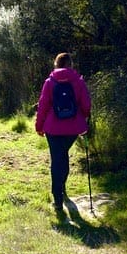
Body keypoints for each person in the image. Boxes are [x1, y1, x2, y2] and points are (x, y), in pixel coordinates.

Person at [35, 52, 92, 218]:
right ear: (70, 64)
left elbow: (43, 105)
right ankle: (63, 187)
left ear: (56, 64)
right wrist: (84, 119)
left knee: (57, 159)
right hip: (73, 129)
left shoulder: (49, 82)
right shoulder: (78, 81)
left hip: (53, 128)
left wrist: (39, 126)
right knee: (63, 155)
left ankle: (58, 199)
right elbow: (86, 105)